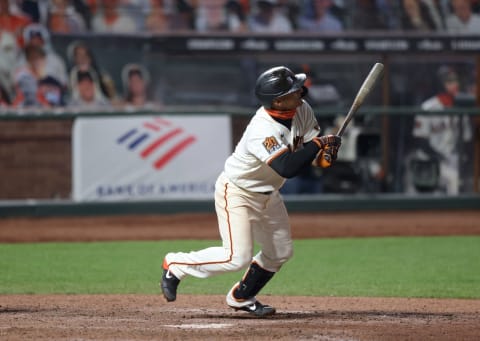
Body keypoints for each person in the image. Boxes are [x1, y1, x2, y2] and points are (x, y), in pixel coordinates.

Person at [160, 66, 341, 317]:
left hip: (269, 194)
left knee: (280, 251)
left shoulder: (302, 109)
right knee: (235, 257)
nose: (301, 92)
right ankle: (176, 264)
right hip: (238, 192)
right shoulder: (262, 129)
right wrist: (320, 144)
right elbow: (286, 166)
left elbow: (310, 156)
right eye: (293, 90)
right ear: (278, 101)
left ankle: (242, 296)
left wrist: (325, 156)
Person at [409, 65, 472, 195]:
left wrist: (461, 159)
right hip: (429, 160)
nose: (455, 84)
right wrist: (439, 157)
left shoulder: (461, 107)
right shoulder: (428, 107)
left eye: (456, 81)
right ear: (440, 84)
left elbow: (466, 140)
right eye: (449, 81)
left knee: (456, 182)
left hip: (453, 160)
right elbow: (420, 141)